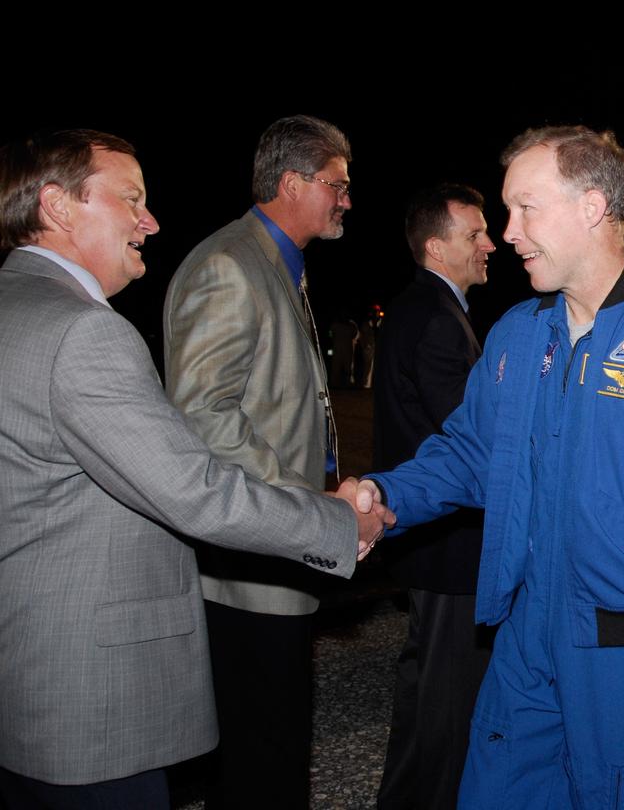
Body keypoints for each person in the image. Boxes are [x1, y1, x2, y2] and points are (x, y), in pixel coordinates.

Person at [356, 126, 624, 809]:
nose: (507, 232)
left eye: (526, 208)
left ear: (592, 207)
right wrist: (386, 494)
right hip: (525, 640)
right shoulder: (520, 335)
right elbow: (471, 452)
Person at [0, 129, 388, 809]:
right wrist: (334, 520)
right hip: (88, 703)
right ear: (59, 207)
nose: (150, 221)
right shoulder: (82, 331)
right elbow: (193, 486)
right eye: (131, 200)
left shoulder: (17, 307)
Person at [163, 115, 353, 809]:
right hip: (248, 566)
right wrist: (303, 509)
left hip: (280, 551)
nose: (346, 199)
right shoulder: (228, 264)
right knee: (259, 754)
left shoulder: (279, 265)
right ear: (291, 182)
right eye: (337, 184)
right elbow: (203, 416)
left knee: (273, 747)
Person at [374, 183, 496, 810]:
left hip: (432, 539)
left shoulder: (424, 309)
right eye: (474, 234)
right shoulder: (438, 320)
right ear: (435, 246)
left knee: (431, 686)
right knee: (445, 705)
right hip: (449, 541)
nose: (490, 243)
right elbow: (467, 440)